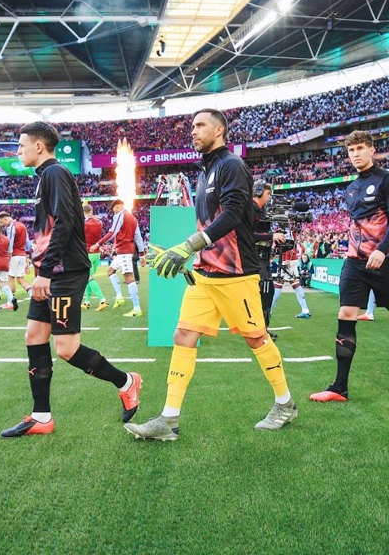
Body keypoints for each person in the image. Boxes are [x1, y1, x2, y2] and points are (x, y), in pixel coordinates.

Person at [125, 109, 297, 441]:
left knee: (256, 339)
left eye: (200, 125)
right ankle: (168, 420)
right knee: (183, 336)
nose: (193, 131)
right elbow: (209, 226)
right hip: (206, 276)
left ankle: (285, 403)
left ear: (219, 130)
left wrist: (188, 247)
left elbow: (233, 215)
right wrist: (196, 257)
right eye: (191, 126)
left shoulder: (231, 165)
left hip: (237, 275)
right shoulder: (205, 172)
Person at [0, 122, 141, 438]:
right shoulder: (43, 178)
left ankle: (127, 382)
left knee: (65, 348)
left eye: (22, 145)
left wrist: (46, 272)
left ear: (39, 146)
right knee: (35, 336)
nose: (18, 150)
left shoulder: (55, 173)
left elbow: (64, 222)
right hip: (53, 270)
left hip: (65, 272)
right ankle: (41, 416)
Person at [309, 129, 389, 400]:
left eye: (360, 149)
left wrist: (383, 250)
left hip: (384, 263)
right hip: (354, 263)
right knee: (346, 315)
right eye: (351, 151)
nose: (355, 155)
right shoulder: (351, 189)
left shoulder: (388, 180)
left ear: (371, 150)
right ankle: (340, 387)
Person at [90, 199, 146, 317]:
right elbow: (138, 237)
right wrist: (142, 254)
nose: (114, 211)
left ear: (119, 206)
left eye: (115, 208)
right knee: (110, 271)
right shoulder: (133, 218)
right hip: (124, 251)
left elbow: (112, 232)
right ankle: (119, 296)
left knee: (129, 277)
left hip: (124, 250)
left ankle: (137, 308)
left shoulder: (120, 216)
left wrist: (98, 244)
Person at [252, 181, 285, 334]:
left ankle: (262, 328)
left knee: (267, 292)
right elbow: (247, 234)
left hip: (263, 258)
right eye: (268, 194)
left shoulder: (262, 210)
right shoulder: (251, 209)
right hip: (254, 258)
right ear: (258, 193)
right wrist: (272, 236)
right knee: (265, 292)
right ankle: (261, 330)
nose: (270, 197)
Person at [0, 211, 31, 304]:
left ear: (5, 218)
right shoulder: (22, 225)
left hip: (14, 255)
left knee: (10, 278)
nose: (2, 224)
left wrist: (8, 257)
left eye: (1, 222)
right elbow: (28, 243)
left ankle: (11, 301)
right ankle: (32, 294)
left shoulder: (11, 227)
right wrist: (25, 255)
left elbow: (10, 243)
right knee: (20, 279)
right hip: (22, 254)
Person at [82, 203, 109, 311]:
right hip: (97, 253)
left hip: (87, 253)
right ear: (92, 211)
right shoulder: (99, 223)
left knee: (88, 278)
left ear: (83, 212)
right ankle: (87, 302)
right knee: (87, 278)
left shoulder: (84, 224)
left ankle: (102, 299)